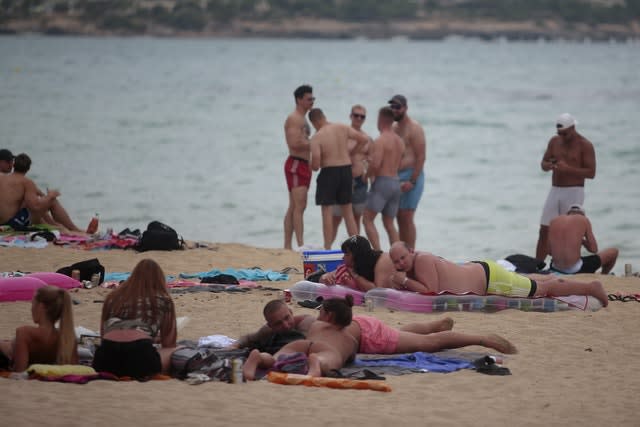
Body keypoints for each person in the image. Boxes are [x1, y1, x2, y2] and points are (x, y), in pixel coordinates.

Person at [388, 241, 609, 307]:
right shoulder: (415, 264)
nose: (400, 263)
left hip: (490, 280)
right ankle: (550, 278)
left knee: (541, 290)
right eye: (396, 262)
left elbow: (431, 292)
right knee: (530, 282)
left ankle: (591, 288)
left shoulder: (422, 260)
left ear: (411, 251)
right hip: (482, 272)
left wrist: (405, 281)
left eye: (402, 258)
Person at [233, 298, 455, 354]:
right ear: (269, 325)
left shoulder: (307, 323)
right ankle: (435, 324)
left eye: (287, 318)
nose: (285, 324)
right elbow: (248, 338)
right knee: (398, 333)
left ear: (292, 312)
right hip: (363, 329)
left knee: (416, 342)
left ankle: (438, 328)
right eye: (279, 323)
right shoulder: (268, 331)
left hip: (362, 331)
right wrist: (235, 345)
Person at [92, 259, 179, 379]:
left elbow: (104, 335)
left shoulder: (112, 297)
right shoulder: (163, 299)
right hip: (140, 358)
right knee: (174, 350)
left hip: (105, 359)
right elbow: (169, 343)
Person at [243, 296, 358, 380]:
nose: (318, 316)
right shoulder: (350, 340)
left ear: (329, 316)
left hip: (303, 344)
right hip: (327, 350)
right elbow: (350, 359)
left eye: (320, 313)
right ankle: (316, 362)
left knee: (276, 359)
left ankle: (259, 358)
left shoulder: (316, 324)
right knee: (329, 360)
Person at [536, 113, 596, 262]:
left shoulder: (585, 145)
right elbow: (543, 164)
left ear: (573, 128)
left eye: (564, 133)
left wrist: (567, 169)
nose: (561, 136)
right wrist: (549, 166)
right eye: (559, 133)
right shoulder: (554, 142)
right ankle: (537, 264)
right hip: (555, 189)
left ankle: (569, 263)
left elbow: (591, 173)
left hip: (574, 191)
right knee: (544, 229)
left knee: (569, 231)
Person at [309, 108, 370, 249]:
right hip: (345, 170)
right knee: (348, 210)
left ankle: (327, 247)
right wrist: (351, 153)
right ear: (324, 116)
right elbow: (363, 139)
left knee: (327, 211)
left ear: (314, 122)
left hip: (329, 172)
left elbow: (316, 165)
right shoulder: (341, 127)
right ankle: (357, 247)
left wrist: (311, 165)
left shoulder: (317, 137)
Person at [0, 286, 77, 372]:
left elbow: (19, 371)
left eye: (32, 304)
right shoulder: (68, 338)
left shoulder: (24, 333)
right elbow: (73, 369)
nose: (31, 309)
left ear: (41, 307)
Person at [0, 156, 83, 232]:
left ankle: (56, 226)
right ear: (28, 168)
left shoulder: (3, 178)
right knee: (51, 201)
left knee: (29, 203)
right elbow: (35, 206)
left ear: (14, 165)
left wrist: (43, 196)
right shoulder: (27, 182)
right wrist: (50, 196)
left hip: (3, 223)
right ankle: (74, 229)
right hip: (12, 224)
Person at [362, 106, 405, 250]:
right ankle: (398, 254)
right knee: (389, 223)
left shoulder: (381, 140)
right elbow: (399, 163)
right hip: (395, 182)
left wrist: (366, 176)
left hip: (383, 183)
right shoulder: (400, 141)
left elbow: (376, 164)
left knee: (367, 219)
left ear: (380, 119)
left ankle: (378, 253)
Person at [389, 95, 426, 250]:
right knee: (398, 216)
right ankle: (402, 252)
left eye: (398, 107)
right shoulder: (393, 128)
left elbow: (421, 156)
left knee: (407, 216)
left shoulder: (415, 128)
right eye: (392, 107)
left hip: (412, 176)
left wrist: (412, 180)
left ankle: (411, 252)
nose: (394, 110)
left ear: (405, 108)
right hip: (397, 177)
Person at [330, 105, 371, 242]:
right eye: (356, 115)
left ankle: (355, 249)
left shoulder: (367, 138)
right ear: (350, 116)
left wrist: (368, 175)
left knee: (356, 218)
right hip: (342, 180)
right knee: (335, 218)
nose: (359, 118)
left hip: (360, 182)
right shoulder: (343, 136)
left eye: (362, 116)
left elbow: (372, 160)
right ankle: (327, 248)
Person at [283, 84, 315, 251]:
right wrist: (314, 143)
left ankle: (288, 245)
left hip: (303, 165)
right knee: (299, 205)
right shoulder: (295, 118)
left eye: (313, 99)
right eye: (309, 99)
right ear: (299, 99)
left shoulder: (303, 118)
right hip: (296, 163)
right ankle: (300, 244)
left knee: (295, 205)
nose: (312, 102)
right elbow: (293, 143)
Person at [548, 205, 618, 274]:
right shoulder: (583, 220)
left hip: (555, 267)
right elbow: (593, 249)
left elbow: (549, 252)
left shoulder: (554, 221)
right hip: (575, 270)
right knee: (614, 252)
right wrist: (583, 241)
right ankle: (604, 274)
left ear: (568, 213)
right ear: (583, 214)